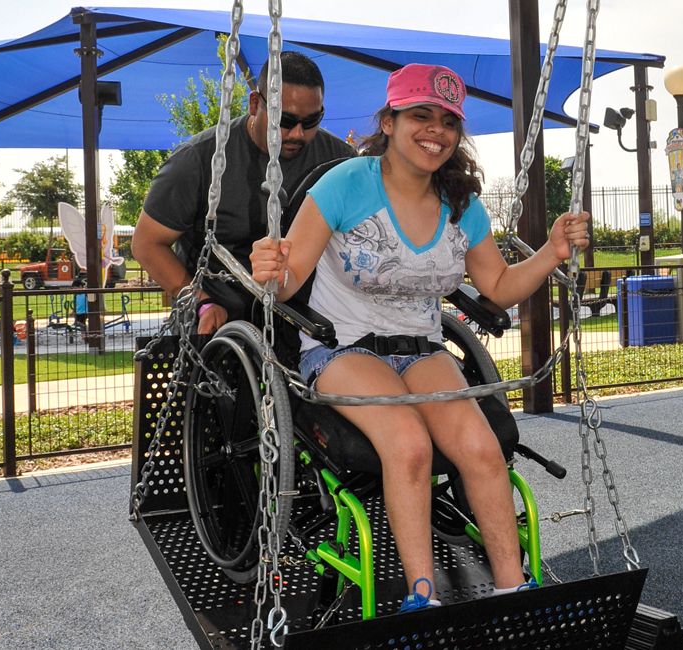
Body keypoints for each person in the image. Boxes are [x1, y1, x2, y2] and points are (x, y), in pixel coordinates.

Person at [249, 63, 590, 612]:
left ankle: (513, 589)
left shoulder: (461, 203)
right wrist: (269, 268)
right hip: (341, 347)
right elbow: (288, 284)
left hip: (422, 348)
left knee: (481, 449)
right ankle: (421, 597)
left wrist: (550, 253)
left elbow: (499, 288)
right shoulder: (344, 185)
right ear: (390, 120)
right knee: (408, 445)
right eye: (420, 116)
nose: (435, 131)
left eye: (447, 122)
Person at [132, 51, 354, 335]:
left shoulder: (340, 161)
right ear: (254, 104)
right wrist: (202, 303)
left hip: (307, 326)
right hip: (216, 329)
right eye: (284, 120)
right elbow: (146, 244)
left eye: (311, 121)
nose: (298, 134)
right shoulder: (198, 160)